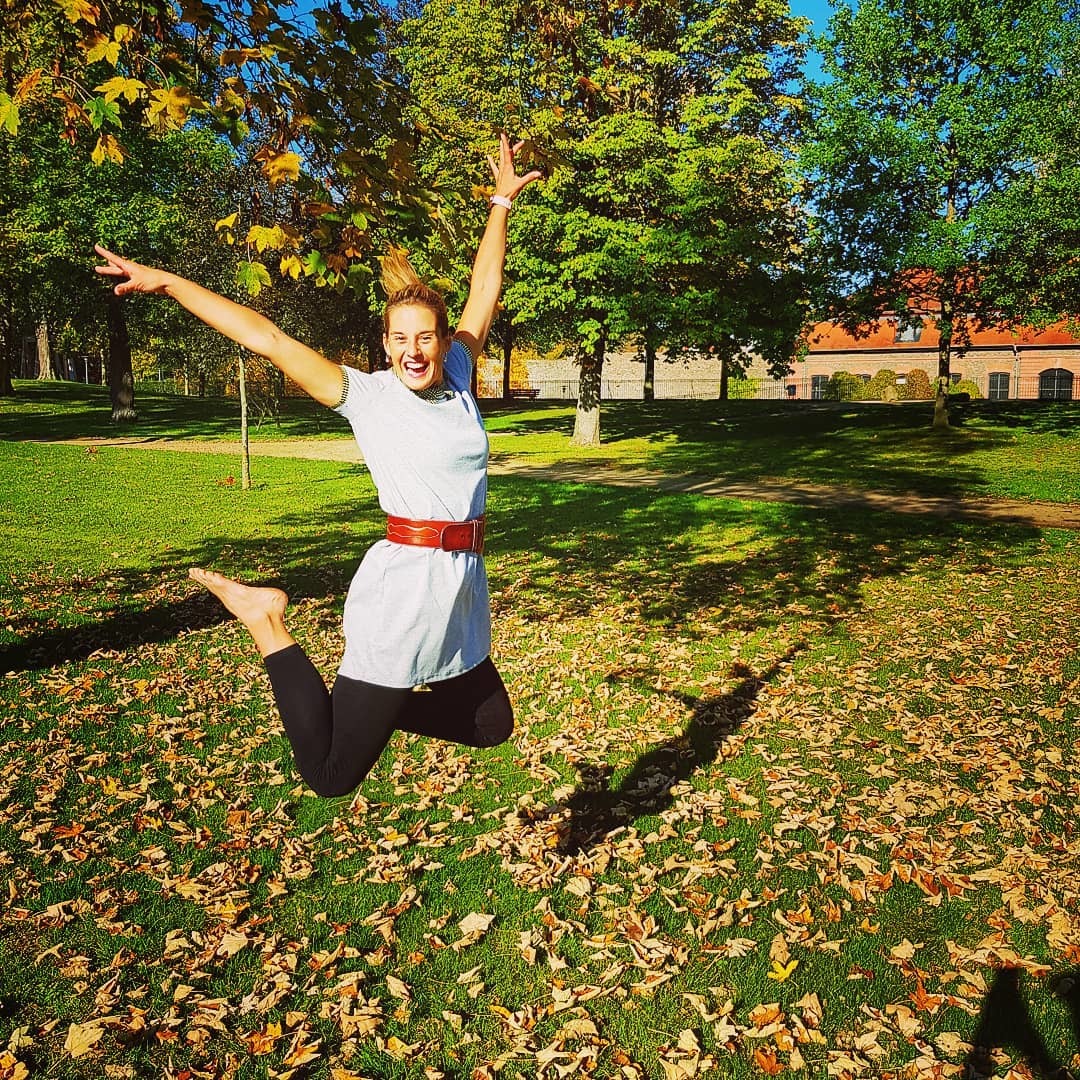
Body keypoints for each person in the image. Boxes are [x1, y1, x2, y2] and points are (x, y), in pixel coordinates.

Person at [95, 134, 542, 798]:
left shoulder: (456, 372)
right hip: (405, 592)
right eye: (400, 339)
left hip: (461, 587)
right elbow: (268, 338)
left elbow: (484, 286)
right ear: (384, 345)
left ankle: (372, 714)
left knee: (490, 724)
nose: (414, 351)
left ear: (444, 339)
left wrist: (501, 203)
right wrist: (168, 282)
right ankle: (265, 620)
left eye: (425, 336)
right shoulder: (367, 396)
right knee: (330, 775)